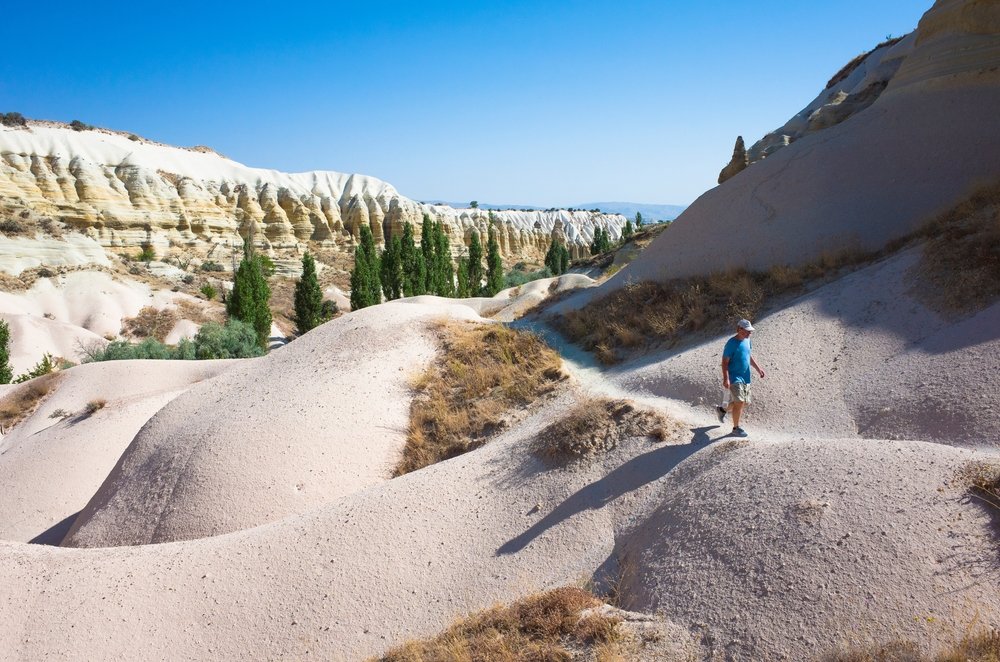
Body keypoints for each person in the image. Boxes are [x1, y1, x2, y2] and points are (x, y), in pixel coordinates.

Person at [717, 319, 765, 437]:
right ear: (739, 329)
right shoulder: (731, 343)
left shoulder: (748, 341)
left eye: (750, 331)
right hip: (735, 377)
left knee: (745, 403)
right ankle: (736, 428)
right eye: (747, 331)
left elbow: (748, 356)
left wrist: (758, 369)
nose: (749, 333)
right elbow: (724, 362)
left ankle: (722, 410)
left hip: (746, 377)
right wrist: (726, 378)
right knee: (740, 401)